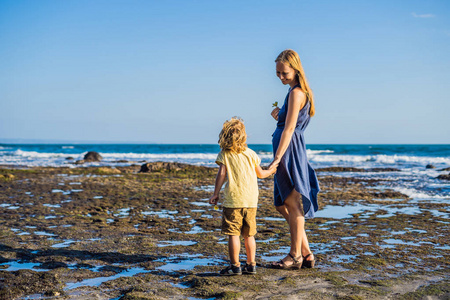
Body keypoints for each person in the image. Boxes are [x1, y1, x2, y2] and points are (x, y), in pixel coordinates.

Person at [268, 49, 320, 269]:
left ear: (296, 69)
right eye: (278, 73)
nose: (280, 77)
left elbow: (290, 129)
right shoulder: (294, 93)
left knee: (292, 203)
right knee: (281, 204)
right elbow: (287, 123)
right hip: (289, 149)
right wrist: (278, 115)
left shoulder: (297, 93)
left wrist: (277, 159)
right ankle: (306, 253)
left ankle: (295, 255)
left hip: (288, 152)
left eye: (284, 73)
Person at [209, 117, 277, 276]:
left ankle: (235, 266)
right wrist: (272, 169)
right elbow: (261, 174)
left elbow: (222, 174)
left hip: (233, 200)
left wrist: (215, 193)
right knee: (249, 234)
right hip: (251, 201)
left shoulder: (225, 154)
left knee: (233, 234)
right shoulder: (251, 153)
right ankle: (251, 265)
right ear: (244, 136)